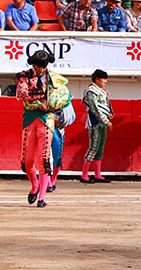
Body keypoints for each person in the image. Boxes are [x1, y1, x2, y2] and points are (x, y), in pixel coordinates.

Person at [16, 50, 72, 208]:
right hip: (30, 119)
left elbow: (65, 96)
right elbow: (21, 94)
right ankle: (34, 185)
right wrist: (42, 96)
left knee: (44, 158)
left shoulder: (55, 77)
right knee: (26, 160)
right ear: (33, 64)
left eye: (43, 66)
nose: (40, 69)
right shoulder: (25, 76)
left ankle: (42, 196)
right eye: (38, 66)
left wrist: (49, 103)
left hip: (47, 119)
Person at [79, 69, 113, 184]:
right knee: (93, 147)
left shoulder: (102, 91)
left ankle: (97, 174)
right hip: (94, 122)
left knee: (100, 148)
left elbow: (107, 104)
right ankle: (84, 175)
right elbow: (93, 108)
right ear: (97, 79)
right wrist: (105, 120)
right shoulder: (90, 91)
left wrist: (110, 114)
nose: (105, 82)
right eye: (104, 79)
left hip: (103, 122)